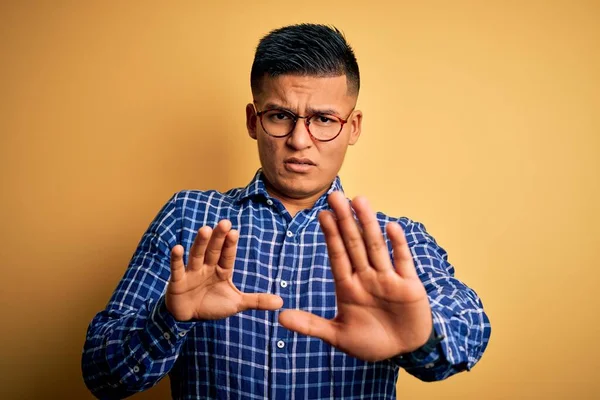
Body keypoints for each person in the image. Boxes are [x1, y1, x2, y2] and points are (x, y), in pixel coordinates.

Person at [82, 23, 491, 399]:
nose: (300, 140)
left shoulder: (388, 241)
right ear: (252, 120)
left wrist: (421, 337)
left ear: (353, 127)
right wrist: (168, 318)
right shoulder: (189, 219)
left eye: (324, 119)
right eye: (280, 115)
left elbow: (470, 323)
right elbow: (102, 373)